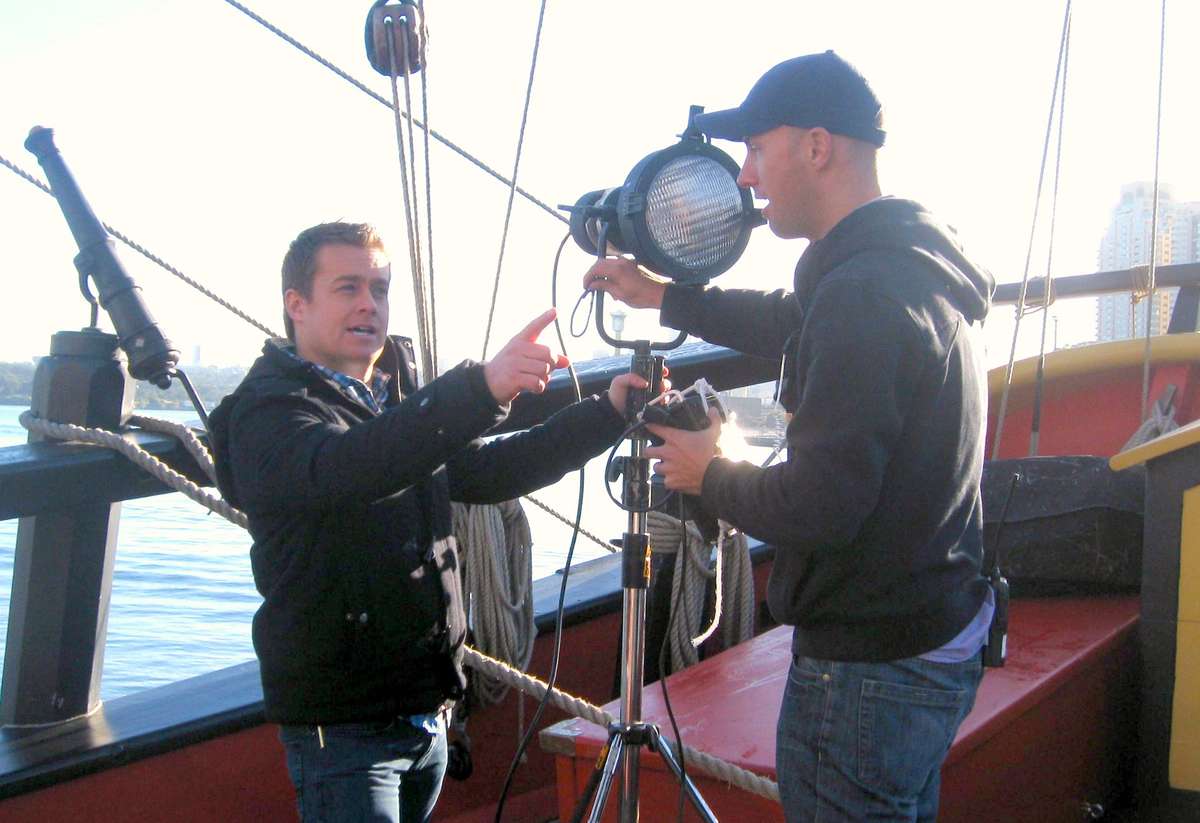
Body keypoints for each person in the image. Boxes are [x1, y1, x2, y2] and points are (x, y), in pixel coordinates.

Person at [584, 51, 996, 822]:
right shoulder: (894, 263)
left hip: (869, 669)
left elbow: (820, 504)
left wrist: (707, 473)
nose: (745, 177)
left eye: (755, 149)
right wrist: (662, 295)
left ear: (816, 147)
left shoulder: (863, 292)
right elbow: (790, 319)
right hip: (929, 636)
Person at [209, 221, 651, 822]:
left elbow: (487, 472)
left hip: (426, 713)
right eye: (347, 287)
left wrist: (608, 413)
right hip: (344, 732)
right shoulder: (268, 414)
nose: (369, 304)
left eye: (379, 289)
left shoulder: (394, 401)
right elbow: (351, 467)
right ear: (297, 304)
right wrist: (482, 388)